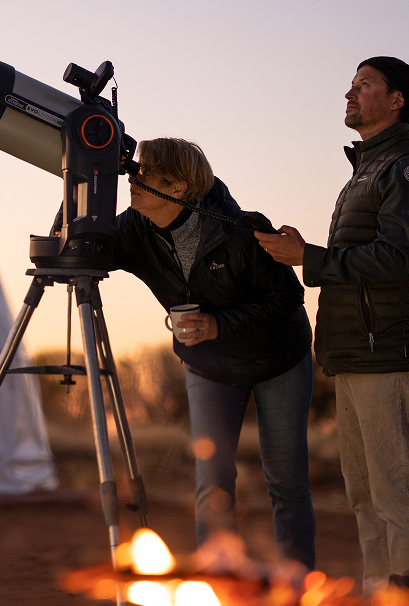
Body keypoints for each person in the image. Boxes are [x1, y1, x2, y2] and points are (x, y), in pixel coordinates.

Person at [255, 57, 409, 592]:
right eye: (352, 83)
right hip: (357, 358)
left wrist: (308, 258)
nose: (349, 92)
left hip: (393, 356)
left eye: (364, 85)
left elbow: (392, 260)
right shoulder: (366, 172)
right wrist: (303, 253)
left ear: (396, 101)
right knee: (367, 501)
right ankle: (381, 599)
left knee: (399, 499)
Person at [113, 137, 316, 569]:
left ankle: (296, 586)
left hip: (277, 359)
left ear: (180, 187)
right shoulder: (134, 226)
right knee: (212, 482)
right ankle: (220, 586)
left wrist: (218, 324)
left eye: (145, 171)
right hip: (208, 366)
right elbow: (80, 244)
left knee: (285, 481)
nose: (134, 176)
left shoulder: (241, 228)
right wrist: (81, 172)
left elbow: (287, 298)